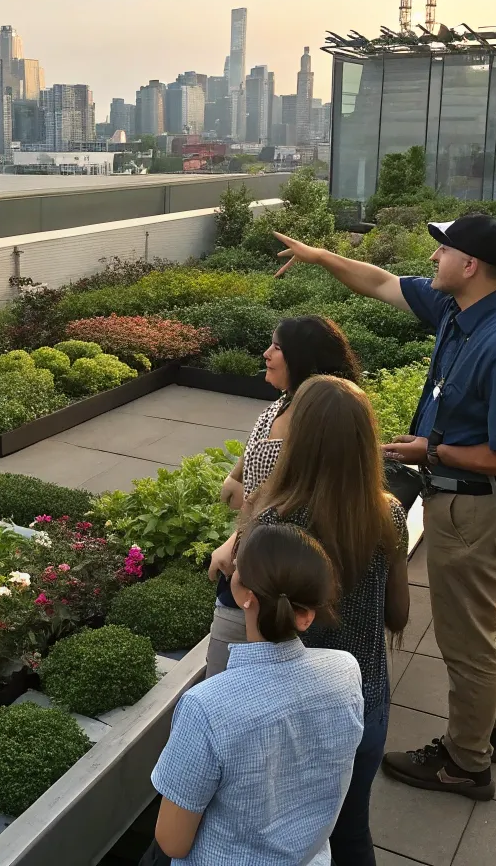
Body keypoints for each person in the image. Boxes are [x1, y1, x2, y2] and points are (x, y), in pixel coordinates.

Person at [275, 213, 496, 801]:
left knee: (466, 640)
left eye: (443, 250)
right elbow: (379, 282)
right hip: (465, 501)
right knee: (483, 622)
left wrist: (435, 448)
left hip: (478, 509)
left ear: (469, 265)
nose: (433, 259)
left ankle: (466, 762)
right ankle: (493, 732)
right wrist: (321, 256)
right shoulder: (460, 309)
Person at [234, 375, 410, 866]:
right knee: (352, 833)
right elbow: (398, 612)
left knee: (281, 840)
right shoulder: (387, 513)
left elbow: (258, 619)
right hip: (364, 700)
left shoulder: (275, 524)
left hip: (291, 713)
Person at [149, 524, 364, 866]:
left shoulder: (206, 707)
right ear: (307, 609)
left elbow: (173, 842)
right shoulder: (345, 671)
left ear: (243, 593)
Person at [209, 315, 361, 677]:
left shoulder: (314, 426)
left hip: (267, 568)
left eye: (277, 347)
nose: (266, 353)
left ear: (303, 358)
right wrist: (237, 478)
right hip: (258, 556)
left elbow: (278, 502)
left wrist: (233, 543)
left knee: (224, 676)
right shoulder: (287, 405)